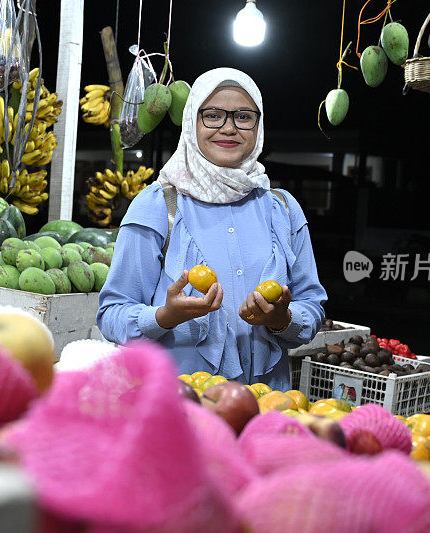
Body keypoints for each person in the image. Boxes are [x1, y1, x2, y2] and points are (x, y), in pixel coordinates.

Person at [97, 67, 327, 391]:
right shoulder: (158, 205)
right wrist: (165, 316)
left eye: (243, 117)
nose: (229, 128)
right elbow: (112, 315)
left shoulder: (282, 209)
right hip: (178, 411)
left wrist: (281, 320)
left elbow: (312, 306)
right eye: (213, 115)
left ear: (258, 125)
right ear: (192, 120)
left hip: (268, 409)